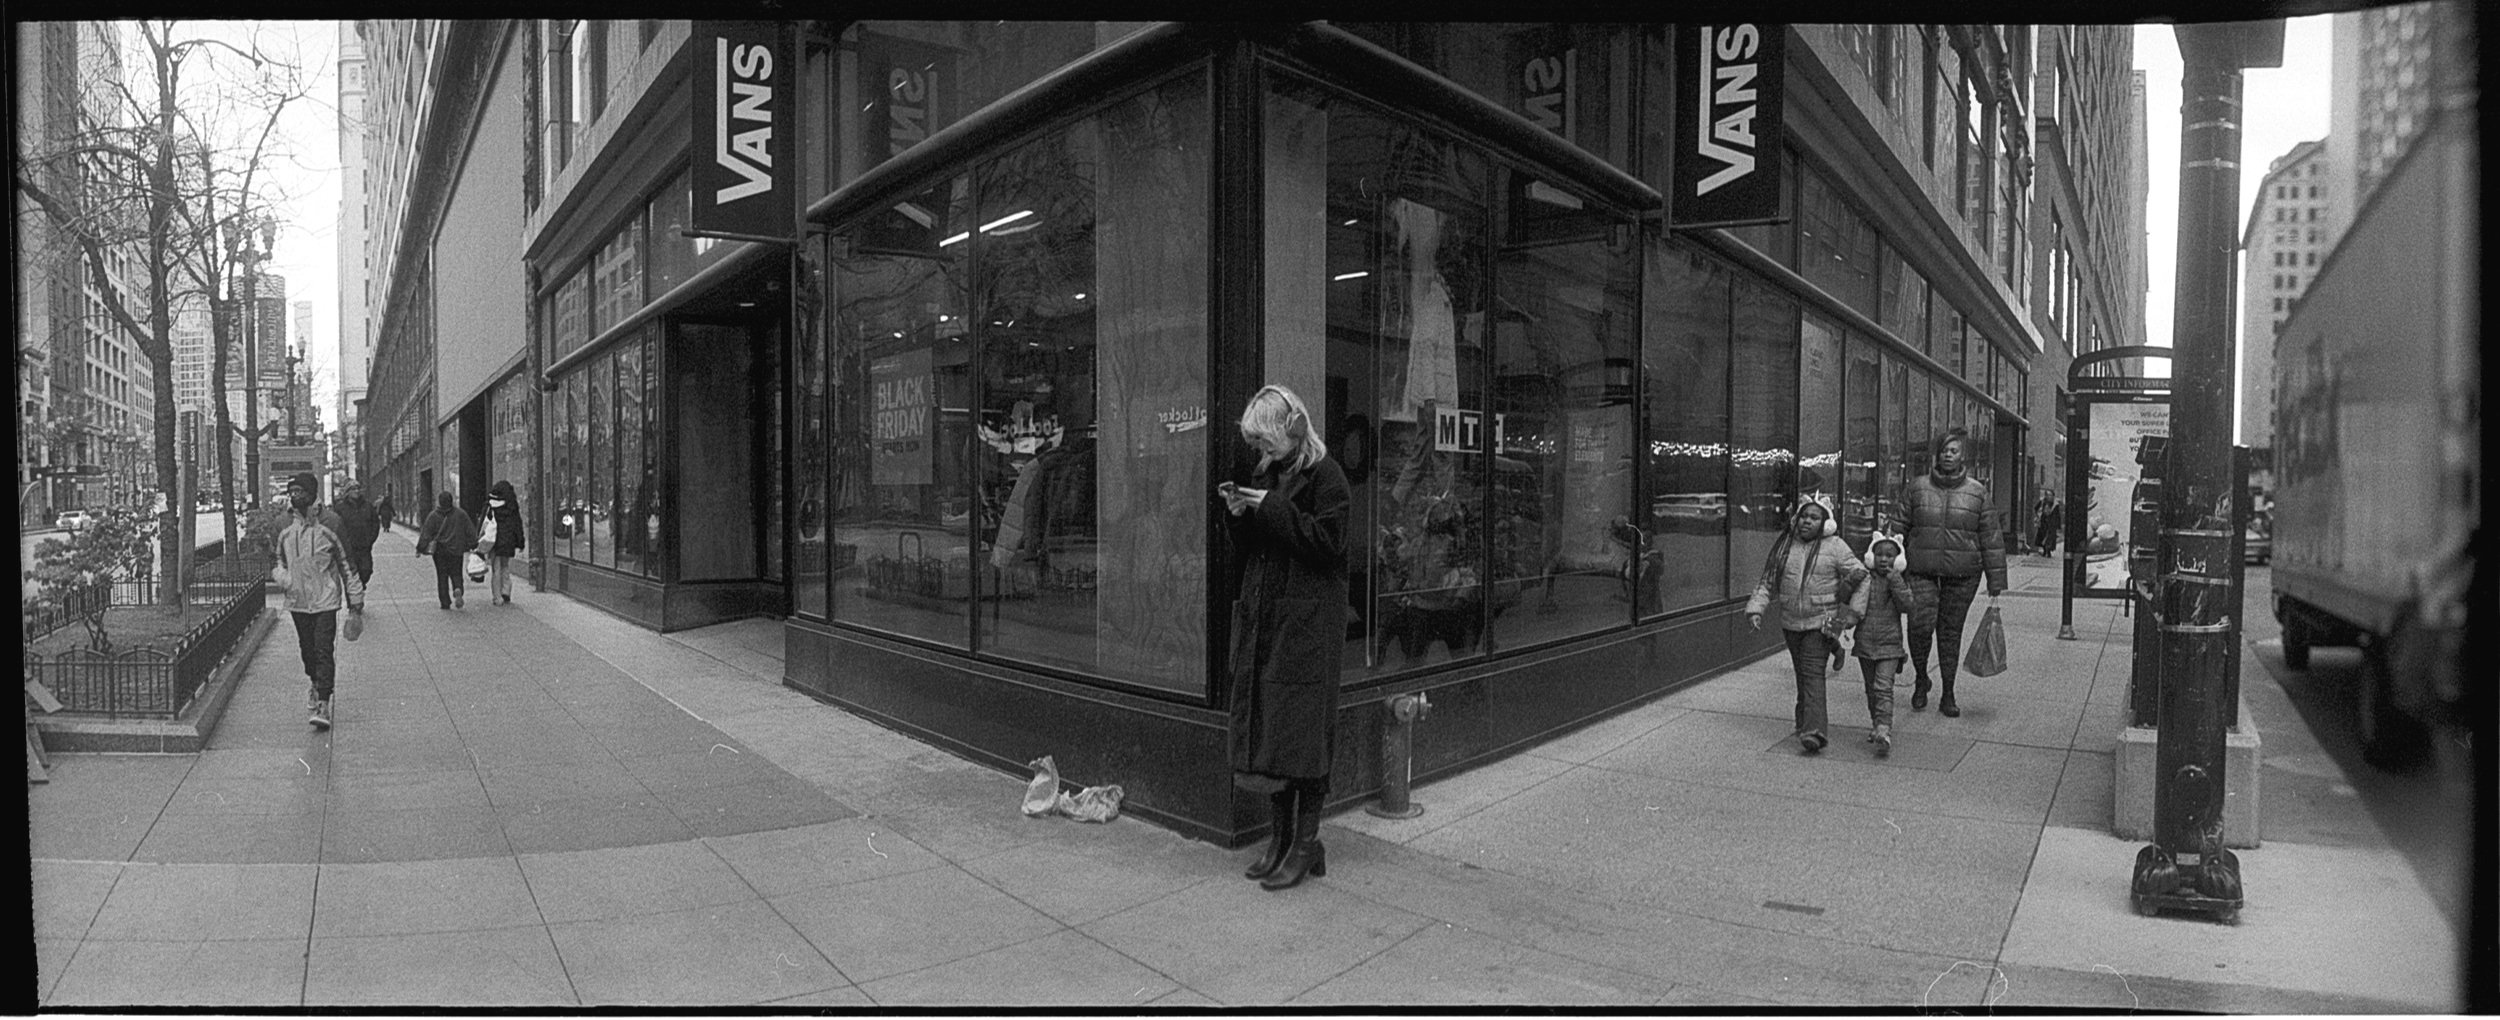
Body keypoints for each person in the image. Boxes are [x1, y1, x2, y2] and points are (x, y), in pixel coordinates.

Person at [1220, 384, 1349, 891]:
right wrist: (1239, 518)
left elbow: (1329, 544)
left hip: (1308, 627)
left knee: (1307, 735)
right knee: (1274, 732)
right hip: (1270, 620)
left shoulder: (1328, 476)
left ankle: (1305, 842)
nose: (1262, 454)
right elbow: (1259, 546)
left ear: (1294, 432)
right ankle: (1279, 840)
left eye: (1269, 444)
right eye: (1258, 446)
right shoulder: (1268, 474)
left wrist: (1269, 508)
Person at [1889, 428, 2009, 718]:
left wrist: (1996, 580)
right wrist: (1887, 563)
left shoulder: (1977, 492)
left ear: (1962, 455)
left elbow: (1991, 538)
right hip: (1921, 571)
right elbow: (1897, 529)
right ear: (1936, 454)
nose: (1948, 455)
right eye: (1944, 450)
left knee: (1949, 633)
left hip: (1963, 574)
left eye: (1953, 450)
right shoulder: (1917, 488)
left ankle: (1948, 692)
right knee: (1918, 629)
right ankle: (1921, 679)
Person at [1745, 495, 1869, 754]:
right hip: (1792, 622)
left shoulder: (1835, 546)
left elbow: (1862, 575)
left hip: (1825, 620)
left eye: (1814, 518)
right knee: (1802, 671)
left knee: (1812, 673)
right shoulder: (1784, 547)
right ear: (1796, 519)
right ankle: (1804, 718)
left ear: (1825, 523)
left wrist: (1854, 613)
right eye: (1804, 516)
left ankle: (1814, 731)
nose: (1807, 522)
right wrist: (1756, 609)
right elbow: (1768, 581)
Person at [274, 472, 364, 729]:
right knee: (308, 651)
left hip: (325, 600)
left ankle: (323, 702)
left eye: (300, 491)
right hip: (297, 602)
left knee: (323, 649)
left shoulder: (332, 523)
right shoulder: (283, 524)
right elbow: (278, 559)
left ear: (312, 494)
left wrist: (355, 605)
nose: (294, 495)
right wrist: (282, 576)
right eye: (292, 491)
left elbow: (347, 564)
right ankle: (314, 683)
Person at [1849, 531, 1919, 755]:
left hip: (1889, 645)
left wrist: (1895, 580)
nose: (1884, 559)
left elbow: (1908, 605)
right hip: (1865, 643)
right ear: (1871, 556)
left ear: (1898, 560)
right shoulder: (1864, 578)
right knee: (1871, 689)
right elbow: (1846, 598)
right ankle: (1875, 723)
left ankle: (1884, 727)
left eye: (1890, 556)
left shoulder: (1898, 580)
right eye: (1879, 554)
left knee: (1883, 687)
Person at [415, 491, 479, 610]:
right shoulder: (460, 514)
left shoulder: (433, 516)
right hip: (457, 550)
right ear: (451, 501)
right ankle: (458, 588)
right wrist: (473, 544)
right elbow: (470, 530)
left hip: (440, 552)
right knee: (456, 573)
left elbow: (426, 533)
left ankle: (445, 602)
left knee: (442, 575)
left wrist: (420, 548)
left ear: (440, 502)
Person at [481, 479, 526, 605]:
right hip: (508, 542)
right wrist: (520, 542)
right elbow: (518, 525)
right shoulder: (512, 506)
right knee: (505, 566)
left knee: (496, 569)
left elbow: (483, 524)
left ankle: (497, 597)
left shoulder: (490, 505)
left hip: (493, 541)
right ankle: (506, 590)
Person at [332, 479, 382, 586]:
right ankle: (355, 593)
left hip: (364, 546)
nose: (357, 491)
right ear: (348, 492)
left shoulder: (367, 506)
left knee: (366, 570)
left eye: (358, 488)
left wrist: (370, 539)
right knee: (351, 573)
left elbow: (375, 523)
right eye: (353, 489)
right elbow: (336, 526)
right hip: (348, 547)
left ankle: (360, 584)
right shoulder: (341, 508)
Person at [2032, 491, 2062, 557]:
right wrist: (2038, 515)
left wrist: (2058, 525)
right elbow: (2036, 508)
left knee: (2050, 538)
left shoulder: (2055, 504)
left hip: (2052, 524)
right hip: (2043, 522)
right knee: (2043, 537)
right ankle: (2045, 550)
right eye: (2048, 495)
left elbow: (2057, 515)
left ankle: (2048, 551)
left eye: (2051, 495)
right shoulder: (2042, 502)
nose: (2049, 497)